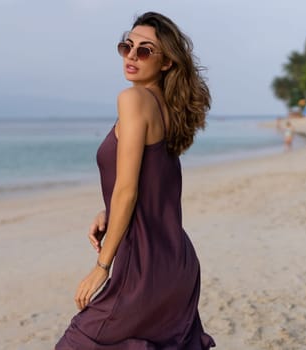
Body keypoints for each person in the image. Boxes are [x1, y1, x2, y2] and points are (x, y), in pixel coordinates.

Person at [56, 12, 215, 349]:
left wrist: (102, 266)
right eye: (127, 46)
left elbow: (128, 190)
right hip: (174, 262)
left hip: (142, 267)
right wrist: (108, 212)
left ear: (167, 62)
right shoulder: (166, 108)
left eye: (145, 50)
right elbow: (152, 182)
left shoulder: (133, 100)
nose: (131, 55)